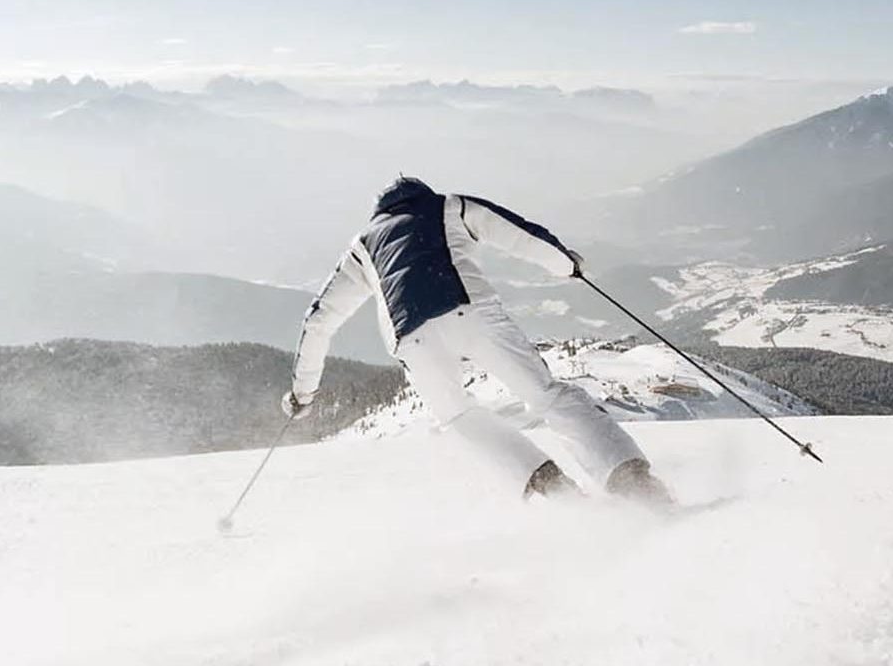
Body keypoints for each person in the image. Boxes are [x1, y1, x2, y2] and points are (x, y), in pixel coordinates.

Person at [282, 176, 670, 504]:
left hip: (413, 340)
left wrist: (304, 393)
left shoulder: (364, 246)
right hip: (471, 311)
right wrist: (566, 264)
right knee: (545, 395)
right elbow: (519, 234)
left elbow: (319, 319)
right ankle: (630, 479)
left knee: (459, 416)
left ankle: (549, 486)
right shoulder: (449, 206)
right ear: (420, 193)